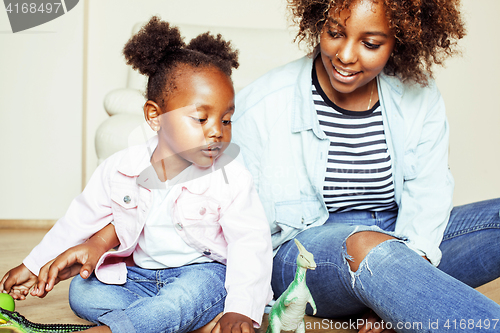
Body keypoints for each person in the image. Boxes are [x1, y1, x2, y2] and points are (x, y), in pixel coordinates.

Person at [232, 0, 500, 332]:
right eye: (334, 33)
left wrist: (398, 296)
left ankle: (397, 287)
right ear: (318, 22)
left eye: (370, 43)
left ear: (399, 39)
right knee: (368, 245)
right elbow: (236, 222)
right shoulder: (262, 104)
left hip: (402, 235)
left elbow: (428, 192)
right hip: (309, 256)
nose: (345, 55)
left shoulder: (419, 93)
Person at [0, 16, 273, 333]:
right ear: (155, 116)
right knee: (83, 293)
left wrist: (240, 311)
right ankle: (177, 322)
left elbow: (250, 244)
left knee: (188, 296)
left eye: (226, 120)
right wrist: (34, 264)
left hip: (203, 275)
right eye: (201, 119)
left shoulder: (231, 176)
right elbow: (78, 220)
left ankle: (120, 328)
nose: (217, 132)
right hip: (142, 276)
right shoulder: (121, 167)